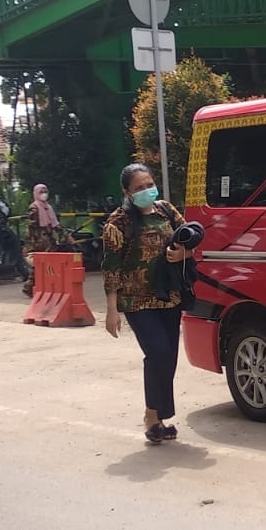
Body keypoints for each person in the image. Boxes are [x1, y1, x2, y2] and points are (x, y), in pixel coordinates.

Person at [101, 163, 194, 444]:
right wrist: (111, 309)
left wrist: (184, 253)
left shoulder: (166, 210)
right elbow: (111, 267)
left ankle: (157, 416)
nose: (146, 191)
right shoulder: (118, 223)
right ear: (127, 192)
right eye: (139, 188)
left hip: (169, 296)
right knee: (158, 353)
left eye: (149, 184)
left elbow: (190, 234)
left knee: (169, 358)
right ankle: (152, 417)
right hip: (137, 300)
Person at [21, 183, 61, 297]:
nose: (44, 194)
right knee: (40, 265)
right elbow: (31, 227)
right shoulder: (34, 207)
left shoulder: (48, 207)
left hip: (49, 239)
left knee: (48, 264)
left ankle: (46, 286)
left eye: (45, 192)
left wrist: (64, 235)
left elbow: (55, 224)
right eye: (41, 192)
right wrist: (28, 244)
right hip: (39, 241)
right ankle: (29, 287)